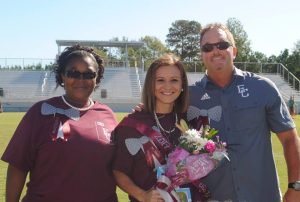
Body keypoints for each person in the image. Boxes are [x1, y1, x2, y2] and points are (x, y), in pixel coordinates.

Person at [187, 23, 300, 201]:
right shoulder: (189, 96)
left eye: (222, 45)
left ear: (234, 51)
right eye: (208, 47)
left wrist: (296, 186)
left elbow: (289, 139)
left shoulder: (262, 87)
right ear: (202, 55)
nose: (216, 51)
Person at [1, 45, 118, 202]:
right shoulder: (40, 111)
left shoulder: (107, 115)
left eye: (89, 74)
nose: (80, 79)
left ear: (97, 78)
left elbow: (121, 167)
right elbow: (18, 166)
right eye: (73, 73)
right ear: (62, 75)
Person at [112, 54, 203, 201]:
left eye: (174, 80)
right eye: (160, 80)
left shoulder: (189, 120)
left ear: (182, 85)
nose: (167, 86)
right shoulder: (132, 124)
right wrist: (142, 195)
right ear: (150, 84)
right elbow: (118, 171)